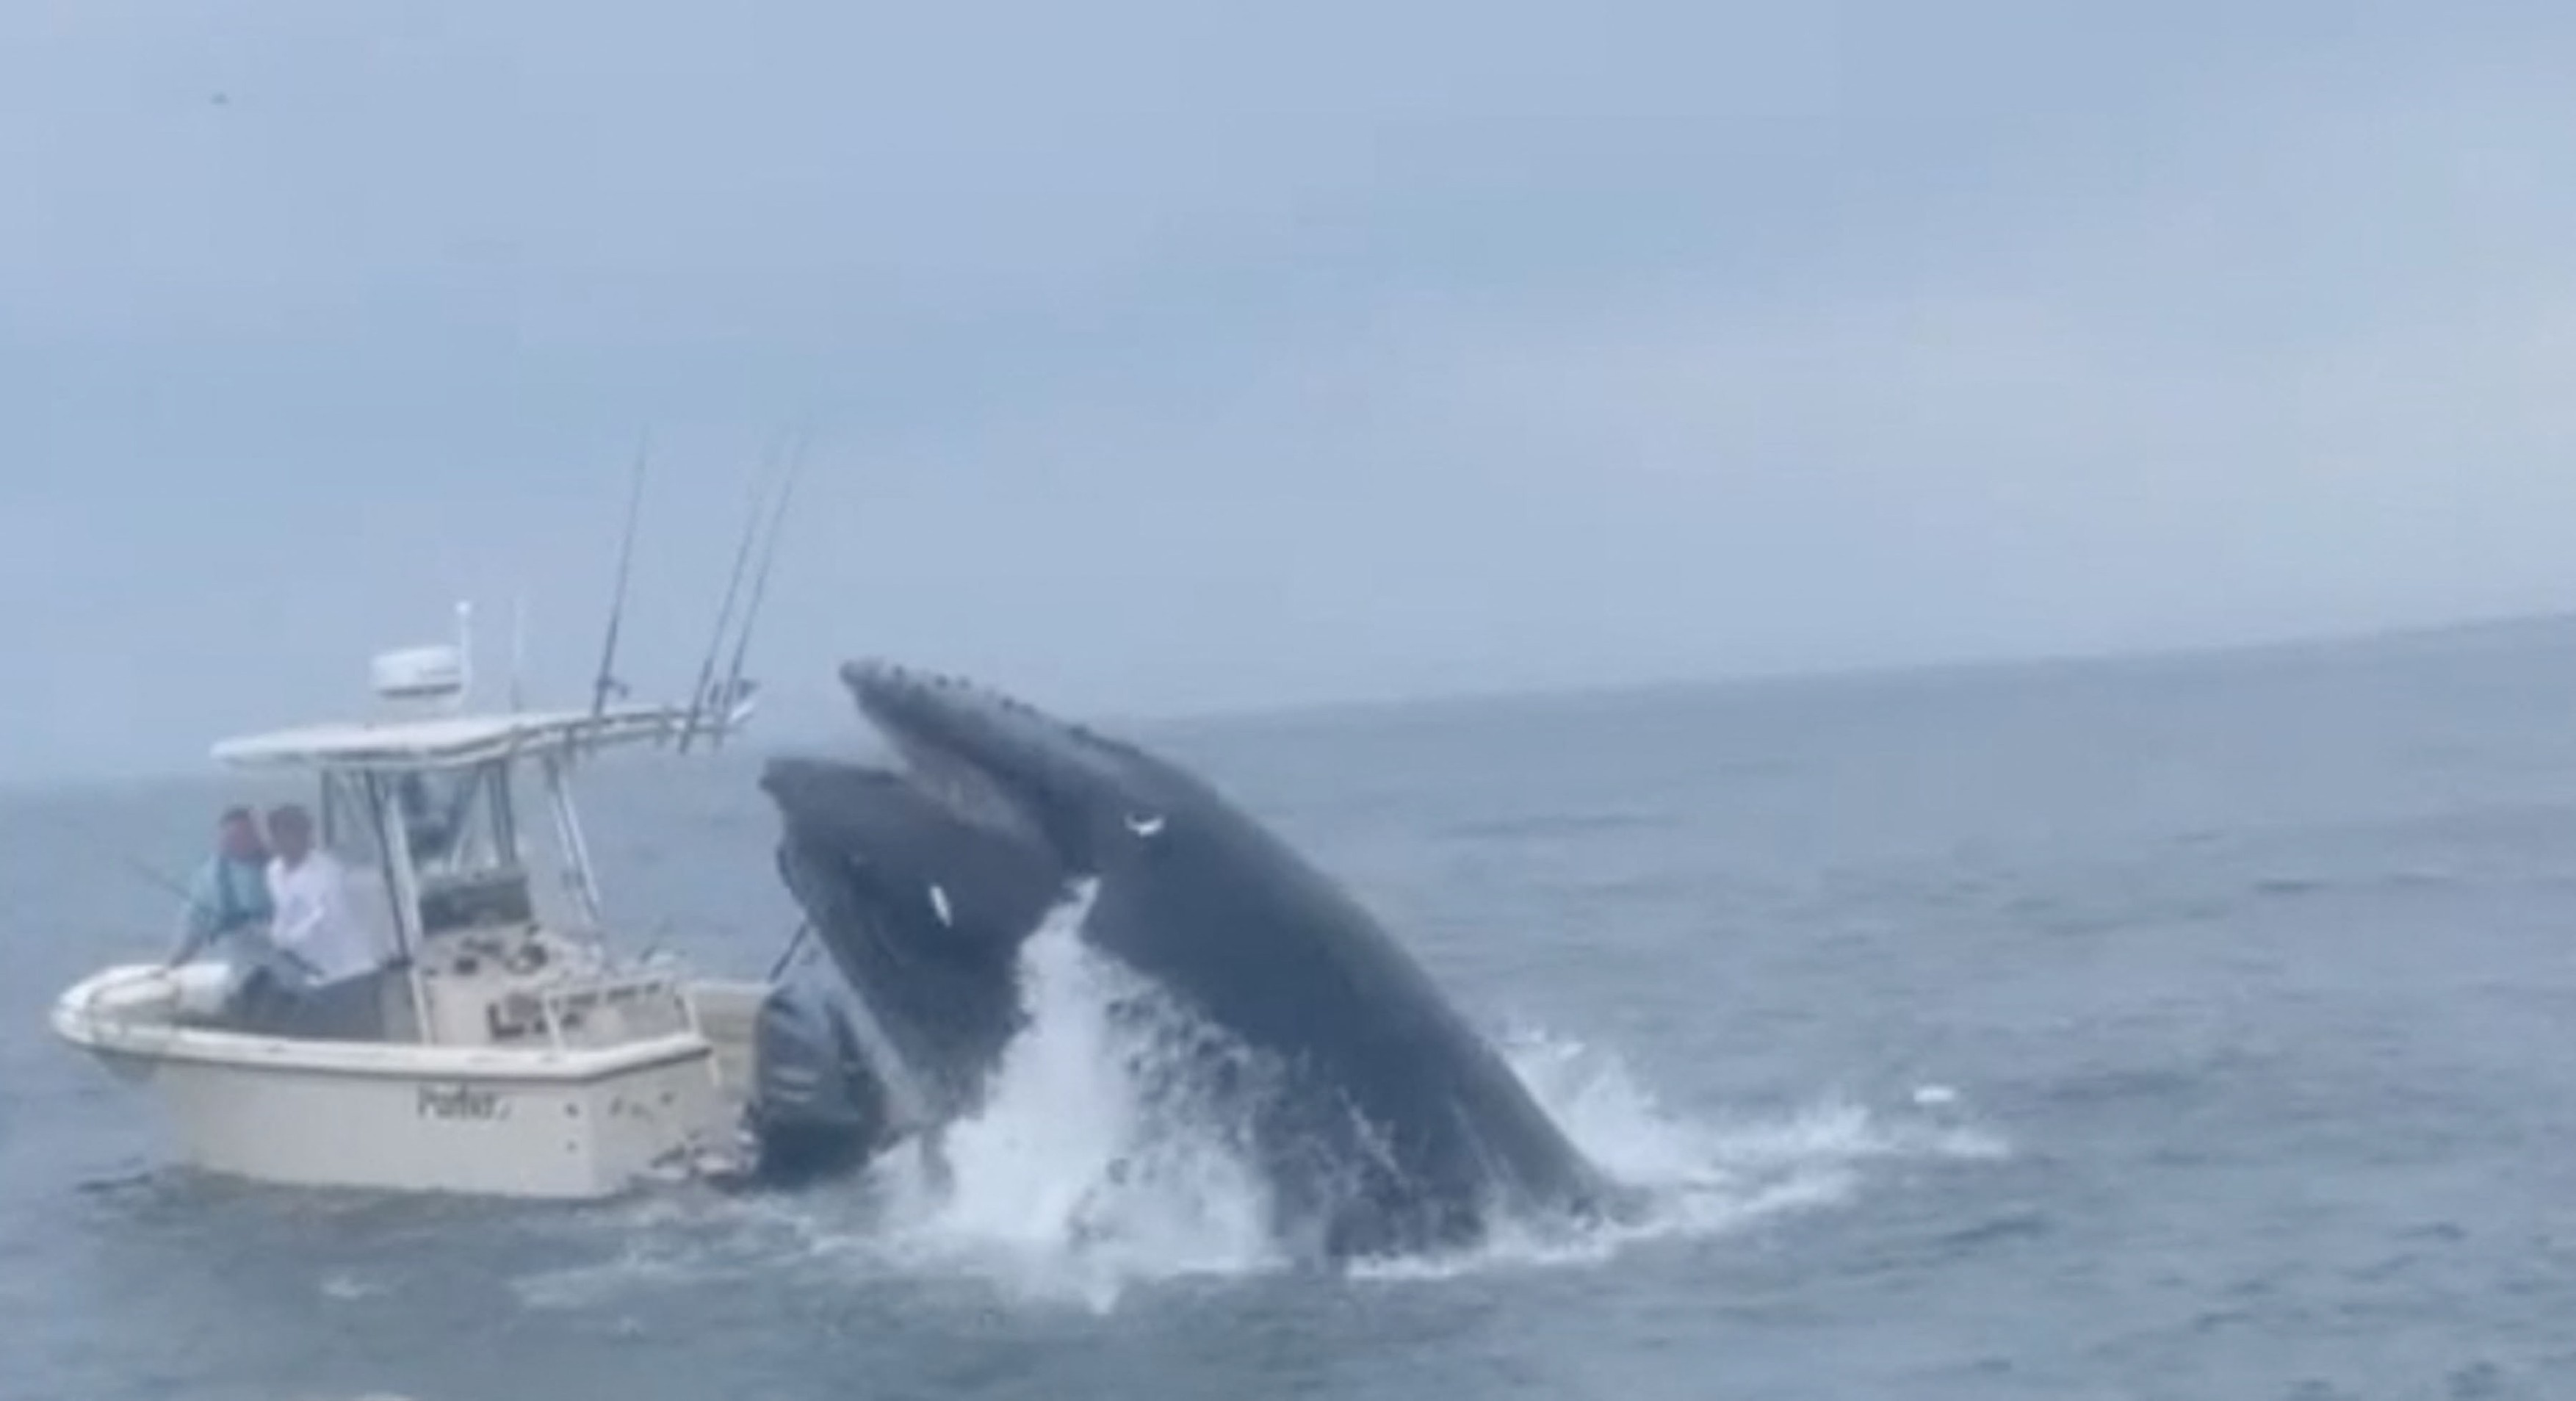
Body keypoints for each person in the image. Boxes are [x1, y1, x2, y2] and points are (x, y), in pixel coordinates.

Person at [244, 802, 394, 1039]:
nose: (299, 838)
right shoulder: (273, 872)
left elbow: (322, 920)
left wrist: (285, 941)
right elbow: (284, 914)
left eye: (302, 831)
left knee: (357, 1038)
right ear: (275, 836)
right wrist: (273, 935)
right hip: (315, 978)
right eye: (289, 832)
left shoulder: (327, 872)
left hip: (350, 973)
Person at [164, 806, 275, 969]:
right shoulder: (210, 877)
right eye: (234, 837)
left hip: (288, 961)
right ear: (223, 838)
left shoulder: (283, 867)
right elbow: (194, 927)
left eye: (247, 835)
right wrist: (172, 964)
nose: (241, 842)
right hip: (243, 968)